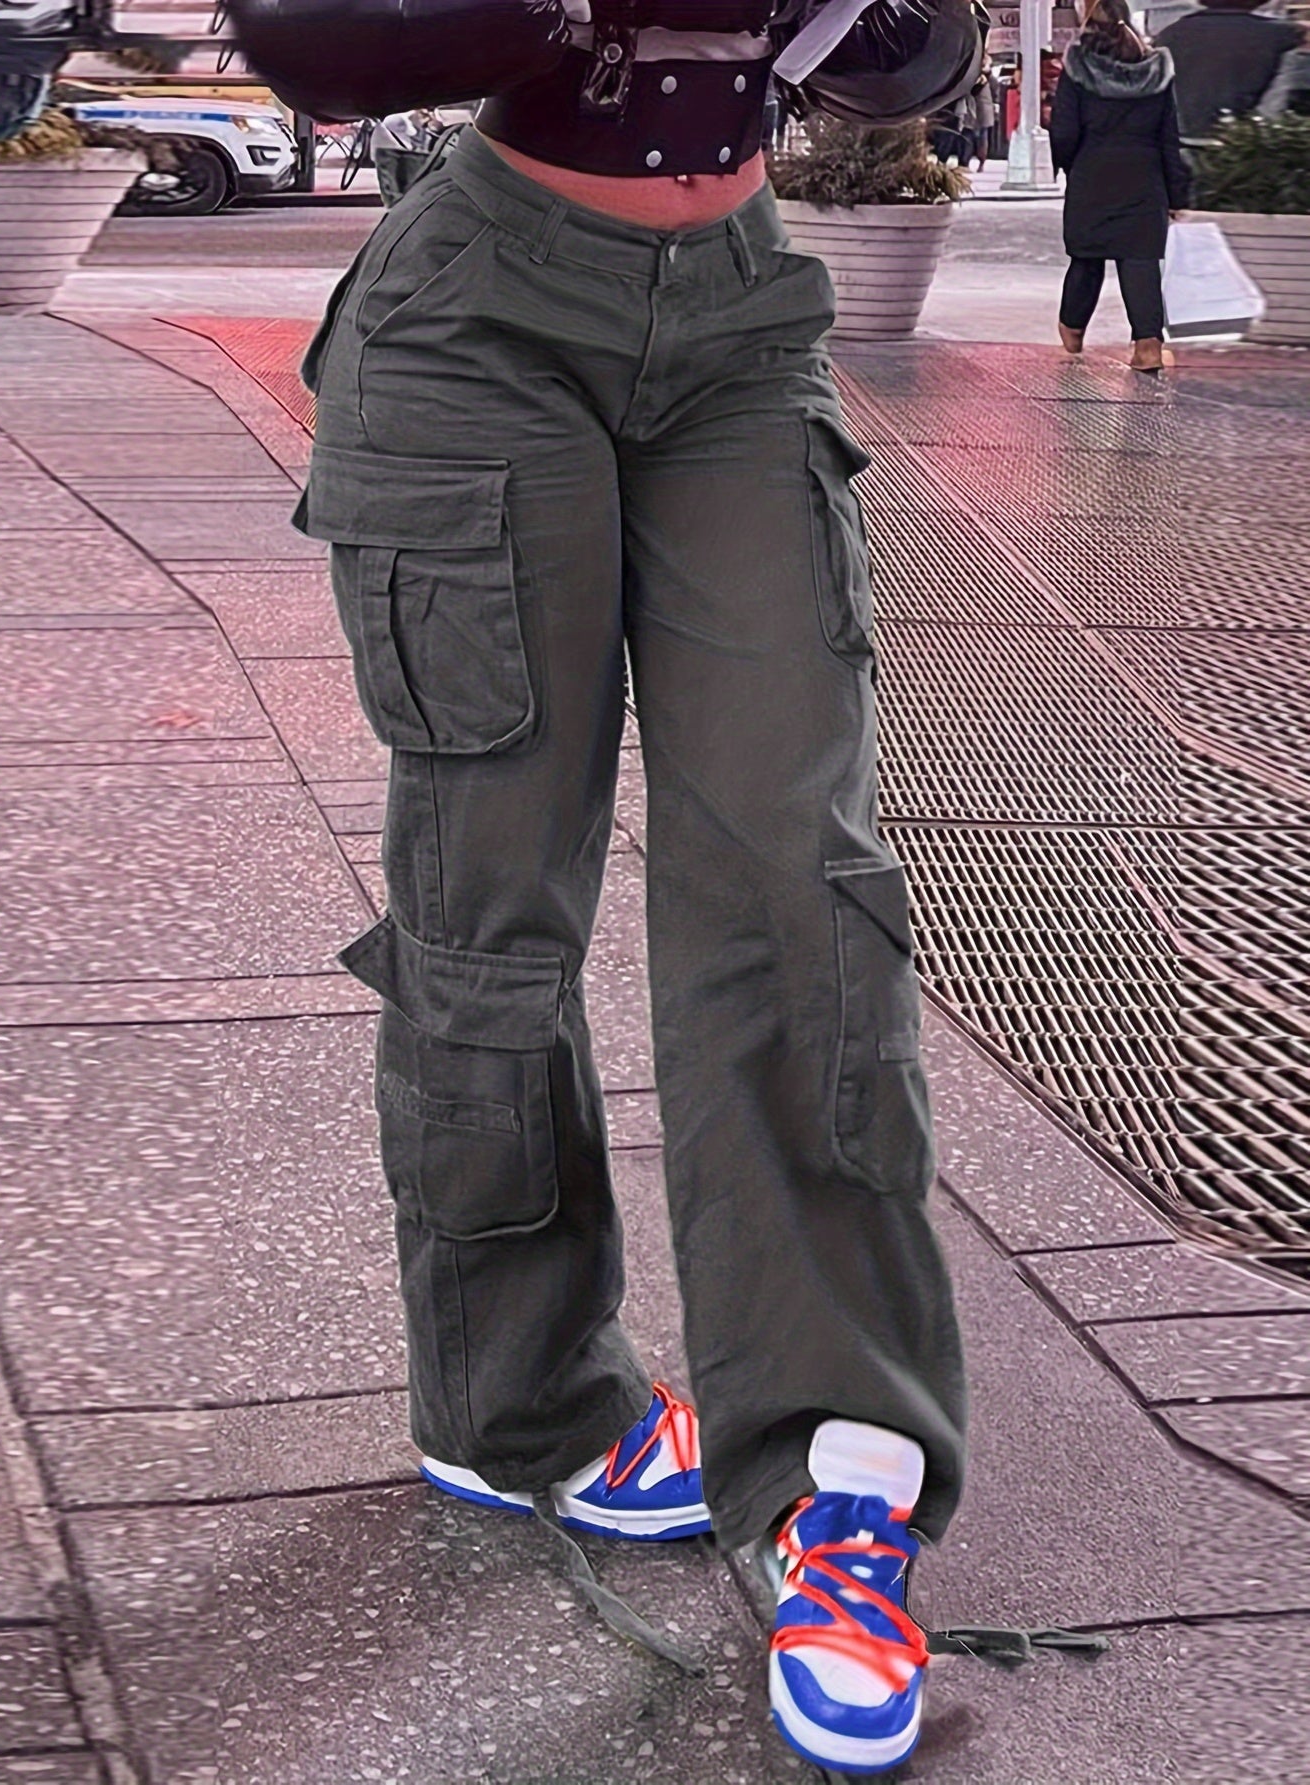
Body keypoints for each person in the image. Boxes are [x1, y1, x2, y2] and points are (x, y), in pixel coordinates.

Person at [226, 0, 983, 1772]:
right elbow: (317, 43)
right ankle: (522, 1399)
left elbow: (914, 65)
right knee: (493, 894)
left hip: (738, 319)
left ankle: (836, 1474)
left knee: (800, 890)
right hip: (481, 317)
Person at [1050, 0, 1192, 370]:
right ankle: (1147, 347)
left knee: (1086, 257)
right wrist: (1177, 194)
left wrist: (1069, 166)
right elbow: (1169, 139)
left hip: (1092, 175)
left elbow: (1063, 131)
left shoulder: (1077, 67)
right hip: (1145, 179)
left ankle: (1073, 331)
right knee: (1140, 261)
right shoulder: (1155, 69)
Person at [1155, 0, 1303, 140]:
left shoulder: (1170, 33)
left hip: (1179, 137)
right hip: (1250, 142)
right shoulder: (1283, 34)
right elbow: (1288, 91)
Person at [970, 55, 1000, 165]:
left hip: (981, 110)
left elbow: (995, 93)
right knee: (978, 136)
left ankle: (980, 159)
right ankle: (977, 159)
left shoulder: (987, 78)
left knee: (980, 136)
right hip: (978, 109)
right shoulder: (984, 78)